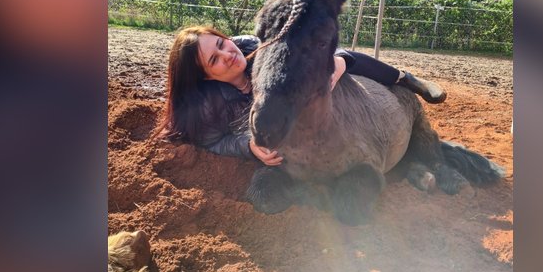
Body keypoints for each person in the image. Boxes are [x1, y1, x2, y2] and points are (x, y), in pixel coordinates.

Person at [155, 25, 446, 165]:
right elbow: (213, 142)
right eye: (214, 60)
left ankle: (405, 78)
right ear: (205, 76)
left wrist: (335, 63)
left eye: (221, 43)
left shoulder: (256, 47)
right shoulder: (208, 104)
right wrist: (247, 146)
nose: (227, 54)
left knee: (343, 57)